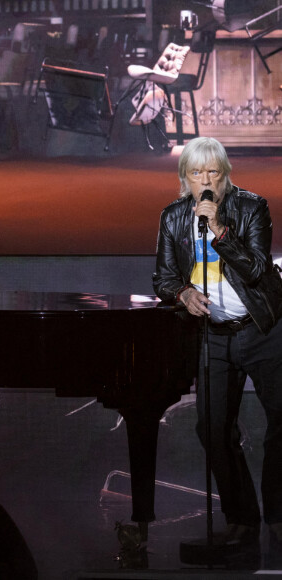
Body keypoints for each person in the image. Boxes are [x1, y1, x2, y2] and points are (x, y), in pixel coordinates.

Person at [153, 137, 282, 547]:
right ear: (184, 178)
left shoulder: (251, 207)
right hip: (215, 335)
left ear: (224, 174)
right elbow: (164, 278)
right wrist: (183, 295)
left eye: (213, 172)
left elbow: (259, 270)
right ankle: (241, 515)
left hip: (263, 329)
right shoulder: (173, 218)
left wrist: (220, 232)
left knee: (281, 423)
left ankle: (279, 515)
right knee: (210, 428)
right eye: (196, 173)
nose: (205, 181)